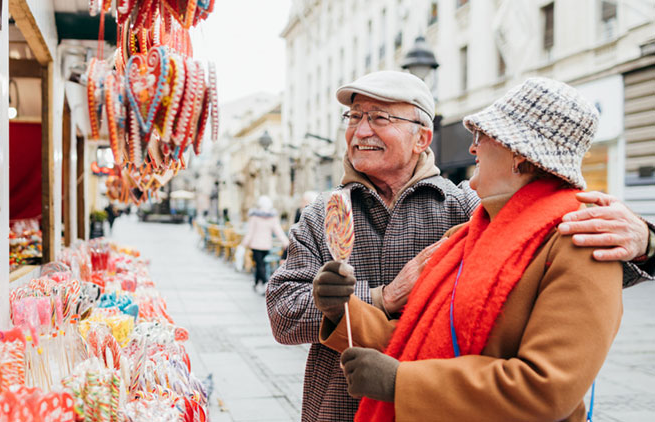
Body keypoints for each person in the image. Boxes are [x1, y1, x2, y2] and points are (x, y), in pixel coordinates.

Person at [266, 70, 655, 422]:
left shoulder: (476, 213)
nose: (360, 130)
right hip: (339, 406)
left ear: (422, 138)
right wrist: (357, 304)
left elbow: (562, 341)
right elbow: (413, 333)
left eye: (380, 117)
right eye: (354, 117)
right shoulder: (472, 226)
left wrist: (647, 241)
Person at [241, 196, 290, 292]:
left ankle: (264, 283)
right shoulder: (272, 217)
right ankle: (255, 283)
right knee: (261, 264)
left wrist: (243, 244)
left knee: (260, 265)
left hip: (256, 245)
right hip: (266, 245)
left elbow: (250, 233)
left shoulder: (254, 216)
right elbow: (278, 231)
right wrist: (286, 242)